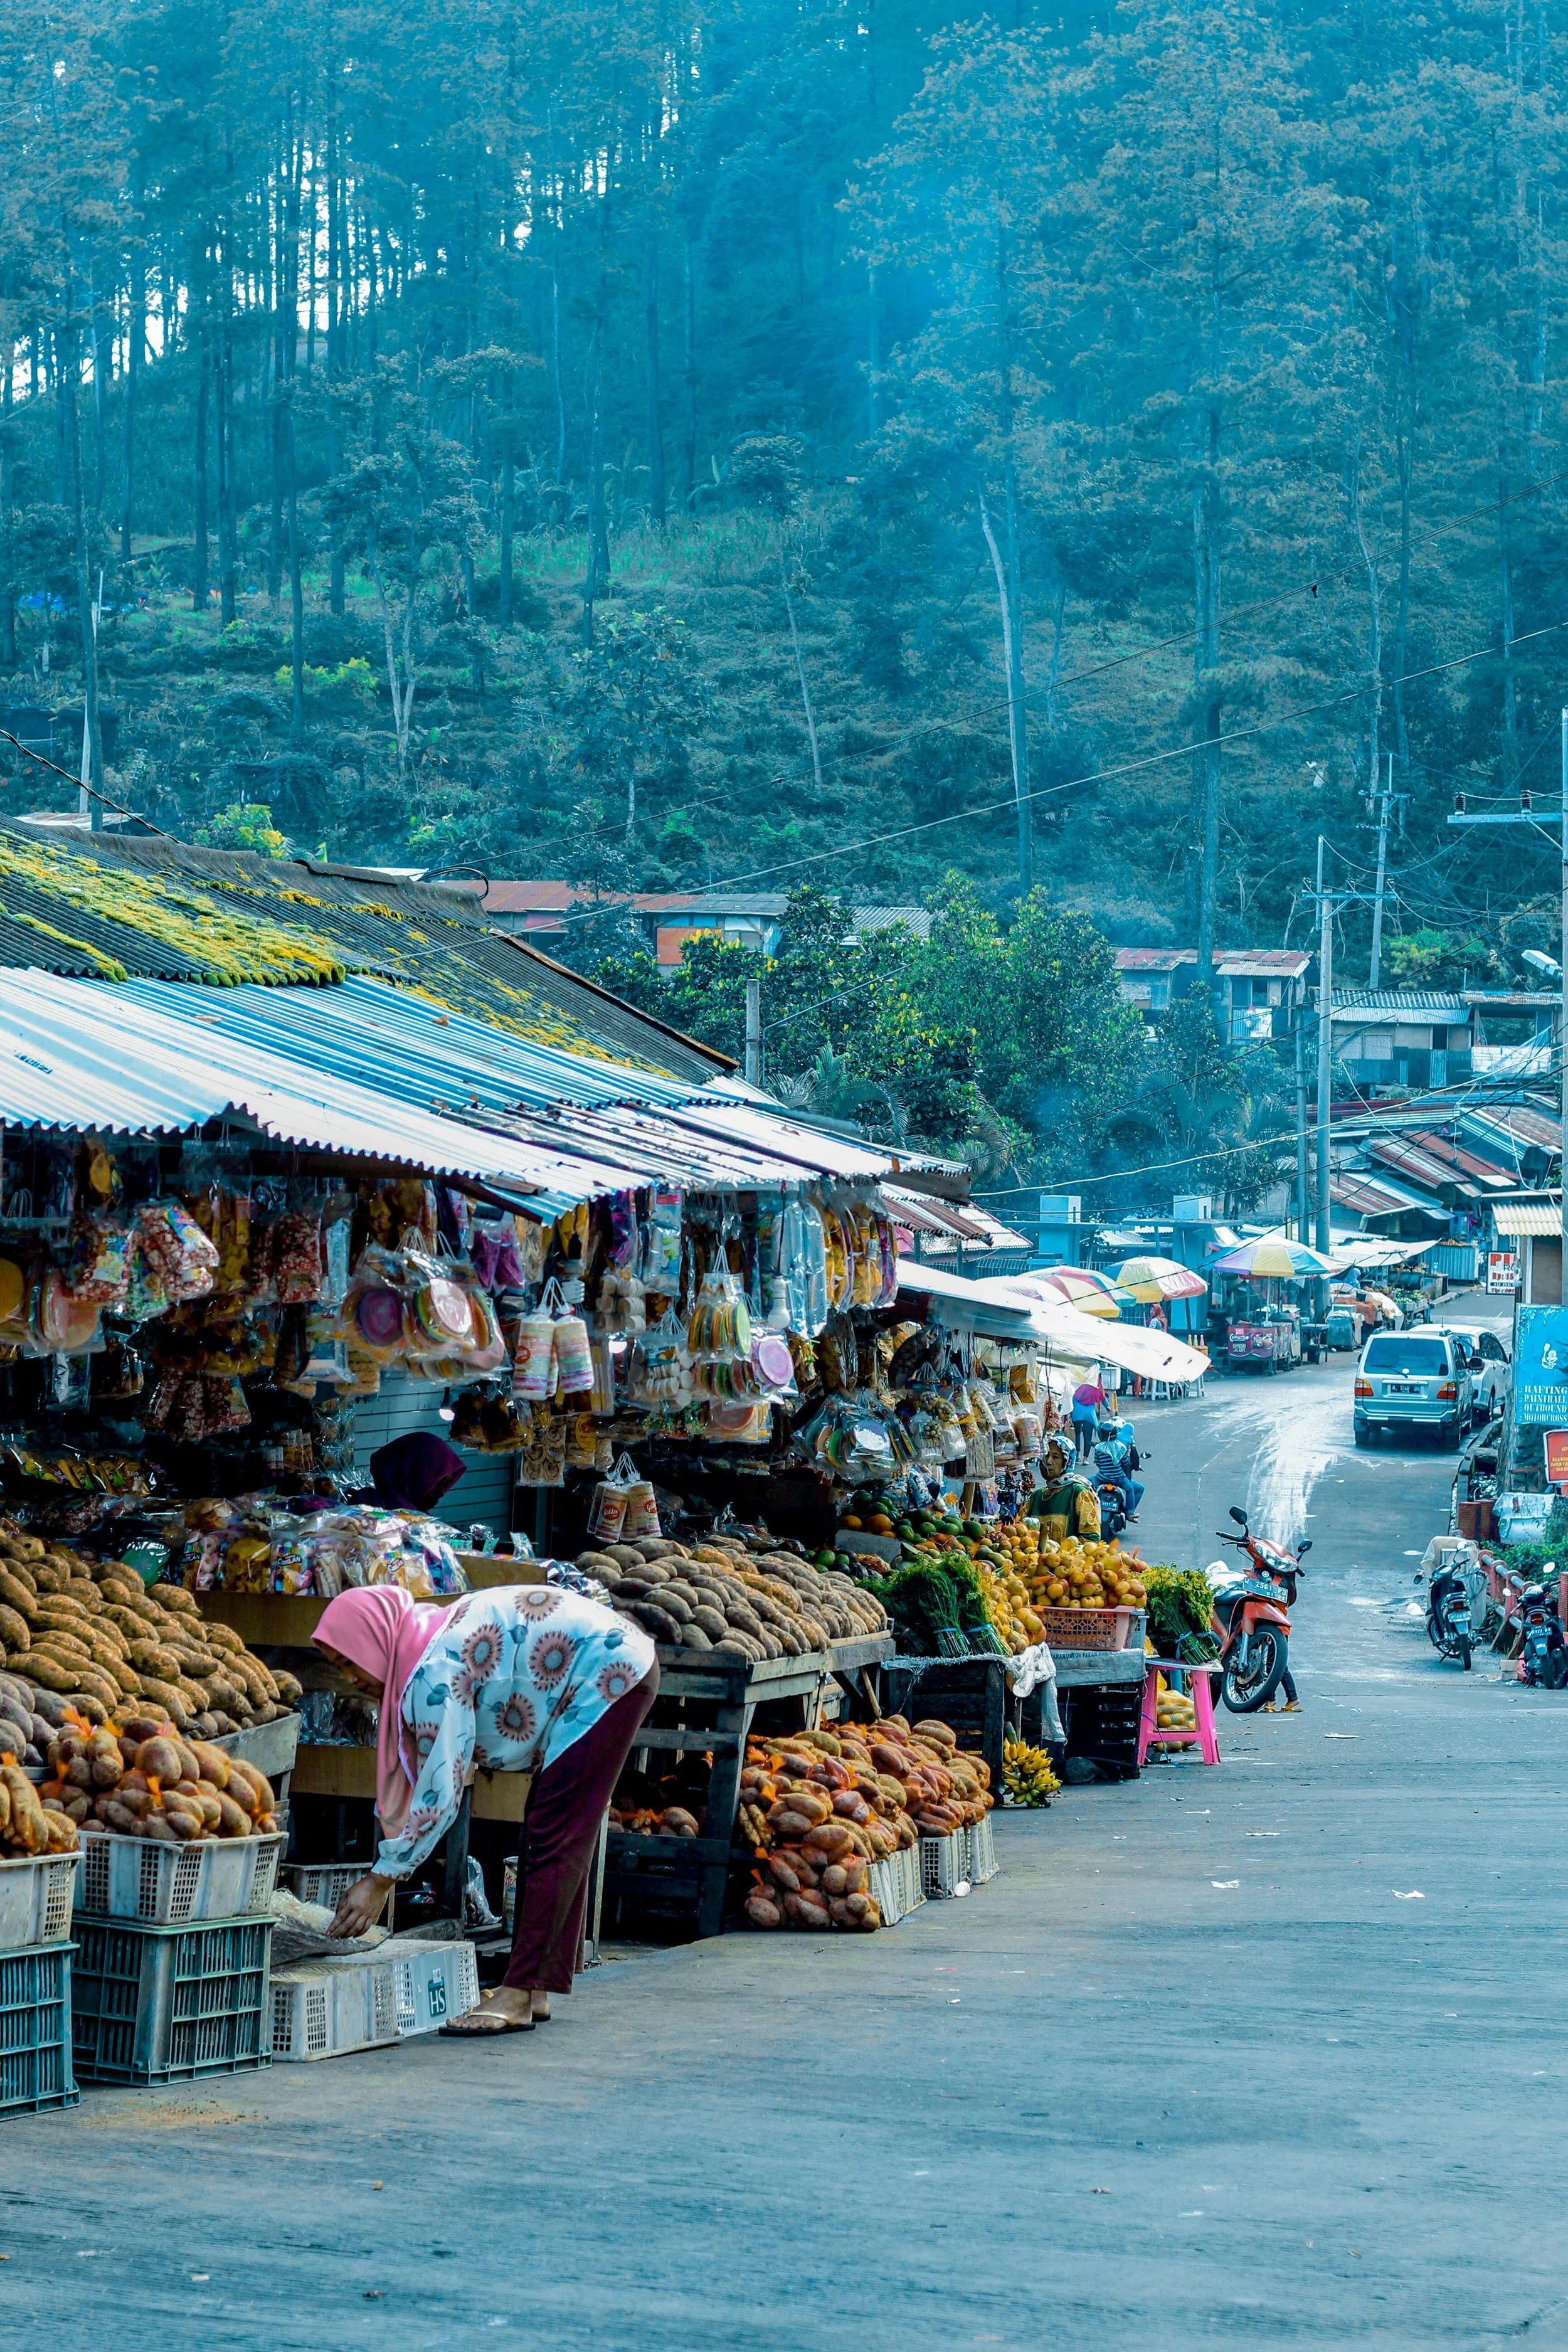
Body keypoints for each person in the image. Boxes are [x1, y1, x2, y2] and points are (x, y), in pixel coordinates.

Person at [314, 1579, 658, 2033]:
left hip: (610, 1675)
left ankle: (519, 1993)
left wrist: (382, 1879)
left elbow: (442, 1792)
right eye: (339, 1667)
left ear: (377, 1638)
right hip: (609, 1668)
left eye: (349, 1660)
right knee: (548, 1831)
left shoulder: (432, 1669)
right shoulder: (426, 1638)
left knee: (555, 1834)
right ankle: (531, 1989)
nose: (351, 1678)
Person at [349, 1431, 468, 1513]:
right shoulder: (368, 1510)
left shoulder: (420, 1519)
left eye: (445, 1483)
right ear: (413, 1475)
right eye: (437, 1482)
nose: (442, 1492)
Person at [1092, 1420, 1145, 1524]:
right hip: (1119, 1479)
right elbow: (1126, 1462)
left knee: (1086, 1484)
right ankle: (1130, 1513)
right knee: (1131, 1489)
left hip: (1101, 1478)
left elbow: (1097, 1462)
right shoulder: (1121, 1447)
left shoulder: (1098, 1448)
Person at [1070, 1379, 1107, 1461]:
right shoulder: (1096, 1383)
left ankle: (1077, 1454)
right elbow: (1102, 1396)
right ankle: (1085, 1459)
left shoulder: (1081, 1381)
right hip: (1089, 1415)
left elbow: (1073, 1396)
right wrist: (1108, 1407)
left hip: (1077, 1413)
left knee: (1077, 1434)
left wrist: (1070, 1413)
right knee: (1088, 1437)